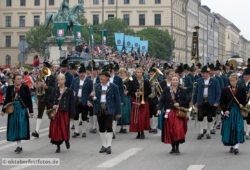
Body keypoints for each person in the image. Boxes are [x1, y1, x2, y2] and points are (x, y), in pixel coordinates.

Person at [1, 73, 33, 154]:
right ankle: (19, 145)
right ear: (14, 80)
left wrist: (31, 111)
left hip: (22, 110)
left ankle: (19, 145)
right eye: (17, 79)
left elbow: (29, 100)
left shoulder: (25, 88)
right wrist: (3, 110)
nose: (19, 80)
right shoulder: (10, 88)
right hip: (13, 110)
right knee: (15, 127)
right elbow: (7, 100)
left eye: (20, 79)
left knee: (21, 126)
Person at [157, 74, 189, 154]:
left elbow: (186, 102)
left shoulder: (182, 90)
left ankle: (177, 147)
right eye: (173, 80)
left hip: (179, 113)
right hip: (169, 112)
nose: (175, 81)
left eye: (176, 80)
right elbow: (162, 100)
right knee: (170, 131)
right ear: (171, 81)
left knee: (177, 130)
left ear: (178, 81)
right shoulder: (166, 90)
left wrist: (179, 103)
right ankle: (172, 147)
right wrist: (159, 109)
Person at [93, 66, 121, 154]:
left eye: (103, 76)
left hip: (110, 109)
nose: (101, 78)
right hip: (99, 109)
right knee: (101, 128)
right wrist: (92, 98)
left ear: (107, 77)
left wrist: (118, 112)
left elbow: (118, 100)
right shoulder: (97, 86)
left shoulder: (114, 87)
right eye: (100, 76)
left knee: (109, 128)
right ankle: (103, 145)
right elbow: (94, 99)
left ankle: (109, 145)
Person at [220, 73, 246, 155]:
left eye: (234, 81)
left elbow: (244, 100)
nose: (232, 82)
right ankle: (232, 144)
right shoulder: (225, 90)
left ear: (237, 81)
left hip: (238, 111)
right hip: (229, 112)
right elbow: (222, 102)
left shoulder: (241, 89)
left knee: (238, 128)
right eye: (231, 81)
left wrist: (242, 104)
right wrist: (225, 110)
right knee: (230, 128)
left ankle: (236, 147)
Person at [49, 73, 75, 153]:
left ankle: (66, 140)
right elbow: (50, 101)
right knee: (56, 129)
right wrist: (53, 105)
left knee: (65, 128)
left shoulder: (69, 91)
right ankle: (58, 146)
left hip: (64, 112)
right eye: (59, 79)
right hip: (56, 113)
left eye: (62, 79)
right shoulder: (55, 90)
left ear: (65, 80)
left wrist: (72, 116)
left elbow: (72, 103)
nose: (60, 81)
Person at [193, 65, 220, 140]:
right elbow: (195, 92)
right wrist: (194, 102)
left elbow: (218, 93)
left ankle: (208, 132)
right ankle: (201, 131)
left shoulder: (215, 81)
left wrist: (216, 102)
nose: (203, 74)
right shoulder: (199, 81)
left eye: (205, 73)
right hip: (201, 101)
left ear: (208, 73)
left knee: (209, 117)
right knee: (200, 117)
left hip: (211, 102)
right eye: (202, 73)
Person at [32, 62, 56, 138]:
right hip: (41, 98)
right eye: (43, 68)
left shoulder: (53, 77)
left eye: (45, 68)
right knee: (39, 114)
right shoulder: (40, 77)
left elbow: (54, 89)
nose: (43, 69)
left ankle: (52, 131)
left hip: (49, 98)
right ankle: (36, 131)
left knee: (51, 115)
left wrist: (46, 87)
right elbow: (36, 87)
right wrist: (36, 86)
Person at [129, 66, 151, 139]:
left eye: (140, 72)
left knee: (142, 117)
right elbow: (130, 91)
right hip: (136, 101)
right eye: (137, 72)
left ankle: (142, 132)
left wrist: (143, 93)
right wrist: (135, 93)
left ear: (142, 73)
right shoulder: (132, 82)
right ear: (135, 73)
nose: (139, 74)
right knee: (137, 118)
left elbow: (149, 91)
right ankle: (138, 132)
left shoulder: (146, 81)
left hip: (144, 101)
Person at [72, 65, 93, 138]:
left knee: (84, 117)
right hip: (76, 100)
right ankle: (76, 131)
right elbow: (72, 89)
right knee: (75, 116)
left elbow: (92, 92)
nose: (81, 74)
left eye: (83, 73)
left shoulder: (89, 81)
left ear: (85, 73)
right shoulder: (75, 80)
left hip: (85, 101)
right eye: (80, 73)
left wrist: (89, 100)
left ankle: (84, 131)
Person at [118, 67, 132, 133]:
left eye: (122, 73)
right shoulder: (118, 80)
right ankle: (121, 127)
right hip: (119, 97)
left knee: (125, 112)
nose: (121, 74)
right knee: (120, 112)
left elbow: (131, 88)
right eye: (120, 73)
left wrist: (127, 92)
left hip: (126, 97)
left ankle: (125, 127)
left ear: (125, 73)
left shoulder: (128, 80)